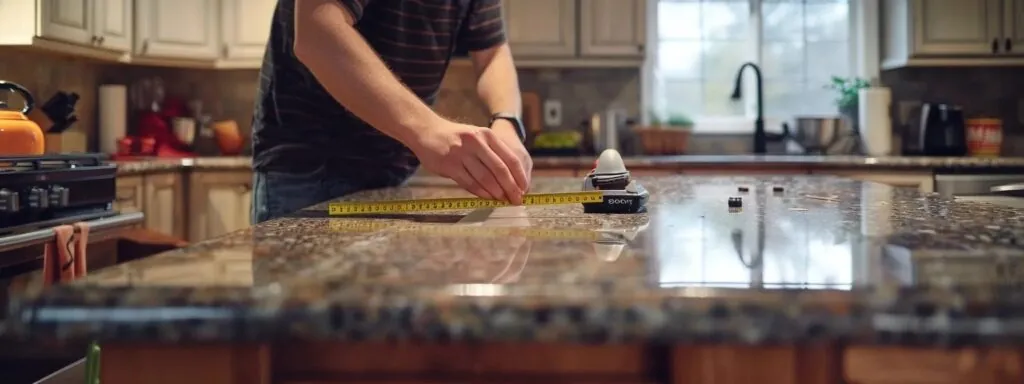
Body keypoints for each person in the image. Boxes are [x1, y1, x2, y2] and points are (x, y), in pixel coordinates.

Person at [251, 0, 533, 224]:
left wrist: (507, 123)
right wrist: (428, 131)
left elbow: (492, 52)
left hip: (392, 175)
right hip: (310, 171)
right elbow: (316, 30)